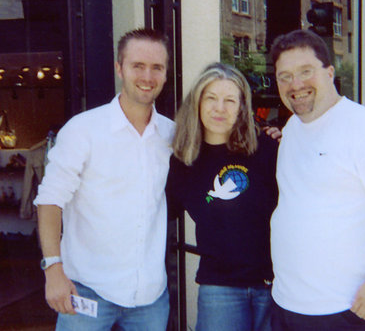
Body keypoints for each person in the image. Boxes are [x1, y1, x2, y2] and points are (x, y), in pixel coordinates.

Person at [269, 29, 365, 331]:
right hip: (289, 305)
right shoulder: (291, 128)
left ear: (329, 73)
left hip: (349, 311)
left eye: (306, 72)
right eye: (284, 76)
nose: (296, 85)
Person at [34, 28, 174, 330]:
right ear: (119, 68)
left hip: (150, 296)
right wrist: (53, 269)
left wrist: (271, 137)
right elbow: (50, 200)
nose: (147, 76)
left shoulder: (171, 134)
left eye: (156, 67)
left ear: (165, 74)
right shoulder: (83, 130)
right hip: (86, 290)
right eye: (137, 65)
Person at [166, 62, 279, 331]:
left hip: (275, 285)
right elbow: (158, 213)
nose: (220, 108)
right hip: (219, 288)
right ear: (197, 102)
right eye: (211, 98)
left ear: (242, 107)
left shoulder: (266, 148)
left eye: (230, 100)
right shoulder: (183, 161)